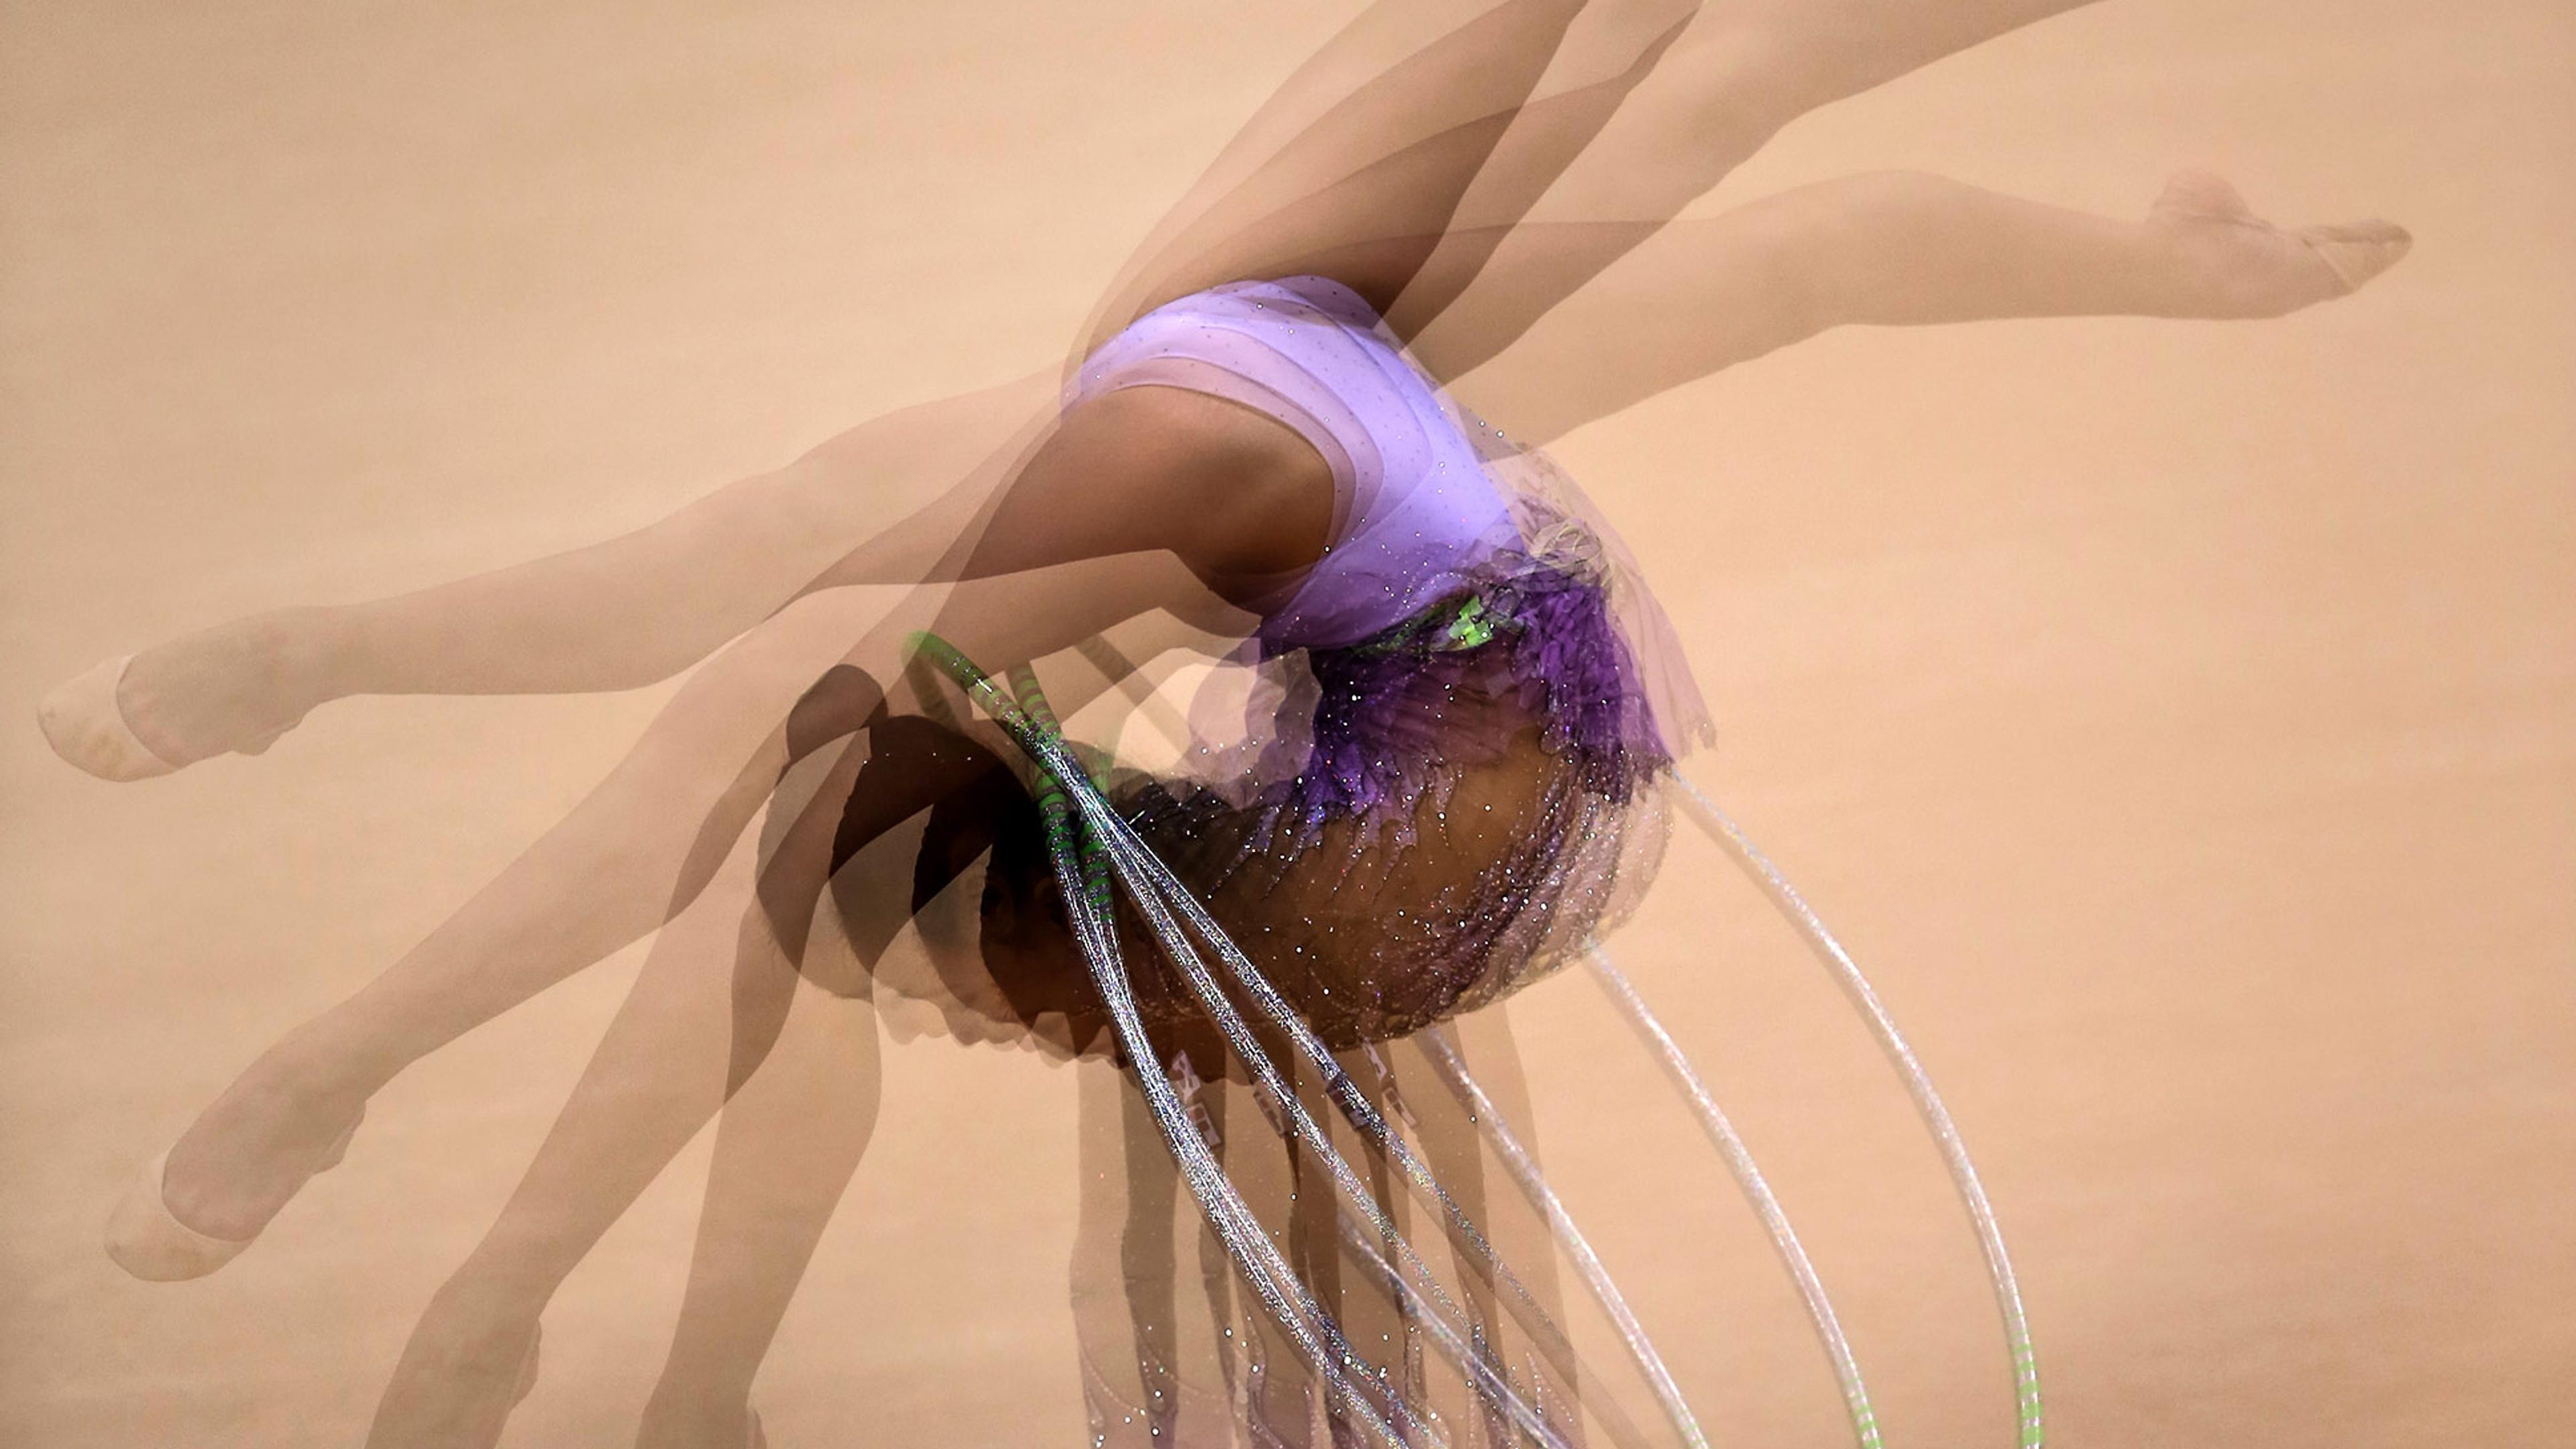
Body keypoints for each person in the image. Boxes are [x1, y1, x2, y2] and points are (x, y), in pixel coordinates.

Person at [37, 2, 2408, 1444]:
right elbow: (1797, 174)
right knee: (734, 621)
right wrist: (2168, 272)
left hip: (1262, 616)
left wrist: (2163, 276)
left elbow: (1817, 211)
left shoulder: (1478, 333)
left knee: (747, 733)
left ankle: (396, 1125)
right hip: (1207, 470)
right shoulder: (1355, 263)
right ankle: (349, 970)